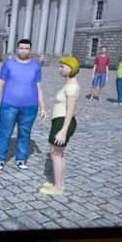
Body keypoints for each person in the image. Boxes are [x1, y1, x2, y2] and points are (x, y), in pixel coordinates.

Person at [0, 38, 46, 171]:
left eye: (26, 48)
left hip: (30, 106)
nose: (24, 51)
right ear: (17, 49)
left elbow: (39, 87)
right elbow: (0, 84)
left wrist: (42, 107)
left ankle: (21, 158)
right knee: (5, 133)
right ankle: (0, 158)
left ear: (30, 50)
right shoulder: (8, 64)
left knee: (25, 133)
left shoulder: (35, 66)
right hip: (9, 105)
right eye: (21, 48)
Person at [40, 57, 80, 195]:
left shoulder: (71, 87)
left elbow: (70, 111)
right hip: (59, 121)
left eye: (62, 66)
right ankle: (58, 182)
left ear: (71, 68)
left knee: (56, 155)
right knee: (59, 154)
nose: (60, 69)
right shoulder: (69, 85)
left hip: (62, 122)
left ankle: (58, 187)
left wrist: (63, 130)